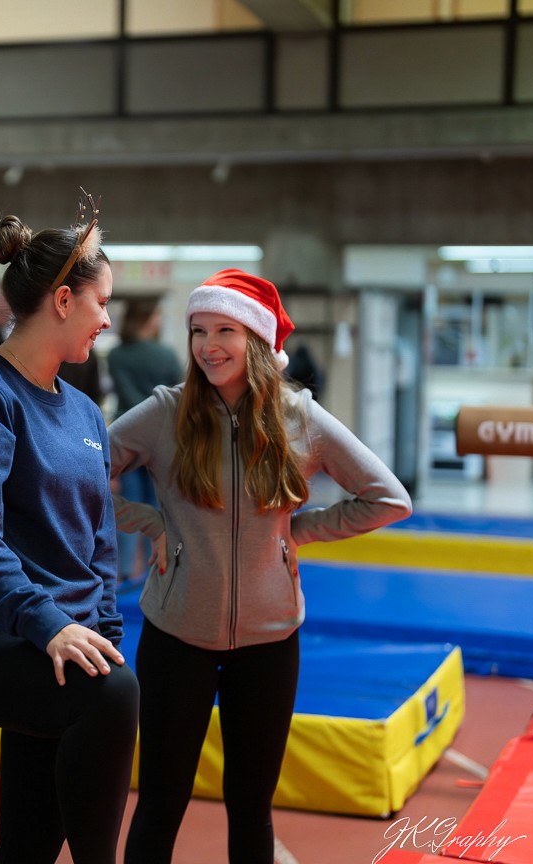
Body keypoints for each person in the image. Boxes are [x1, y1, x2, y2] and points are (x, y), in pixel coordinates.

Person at [109, 268, 413, 864]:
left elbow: (389, 498)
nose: (208, 346)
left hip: (270, 643)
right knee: (162, 801)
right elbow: (78, 477)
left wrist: (298, 532)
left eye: (224, 330)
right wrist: (151, 523)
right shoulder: (165, 412)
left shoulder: (300, 417)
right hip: (177, 637)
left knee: (251, 806)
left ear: (256, 339)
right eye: (198, 331)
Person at [0, 198, 140, 864]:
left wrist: (101, 633)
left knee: (28, 843)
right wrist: (48, 626)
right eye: (103, 303)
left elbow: (98, 541)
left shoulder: (85, 413)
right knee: (113, 696)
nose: (108, 319)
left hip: (64, 639)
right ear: (65, 301)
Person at [106, 298, 183, 583]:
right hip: (163, 439)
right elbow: (180, 393)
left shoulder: (117, 355)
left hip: (127, 436)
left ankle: (124, 569)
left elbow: (125, 395)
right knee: (159, 504)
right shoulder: (167, 354)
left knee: (129, 504)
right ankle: (158, 567)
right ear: (150, 319)